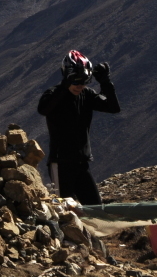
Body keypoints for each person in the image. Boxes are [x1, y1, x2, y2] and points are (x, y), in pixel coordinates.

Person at [37, 50, 120, 206]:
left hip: (82, 164)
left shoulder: (87, 95)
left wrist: (105, 82)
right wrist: (65, 85)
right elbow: (43, 109)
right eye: (75, 81)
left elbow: (113, 107)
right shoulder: (54, 94)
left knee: (96, 210)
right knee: (64, 210)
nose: (79, 86)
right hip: (60, 165)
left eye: (84, 81)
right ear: (66, 76)